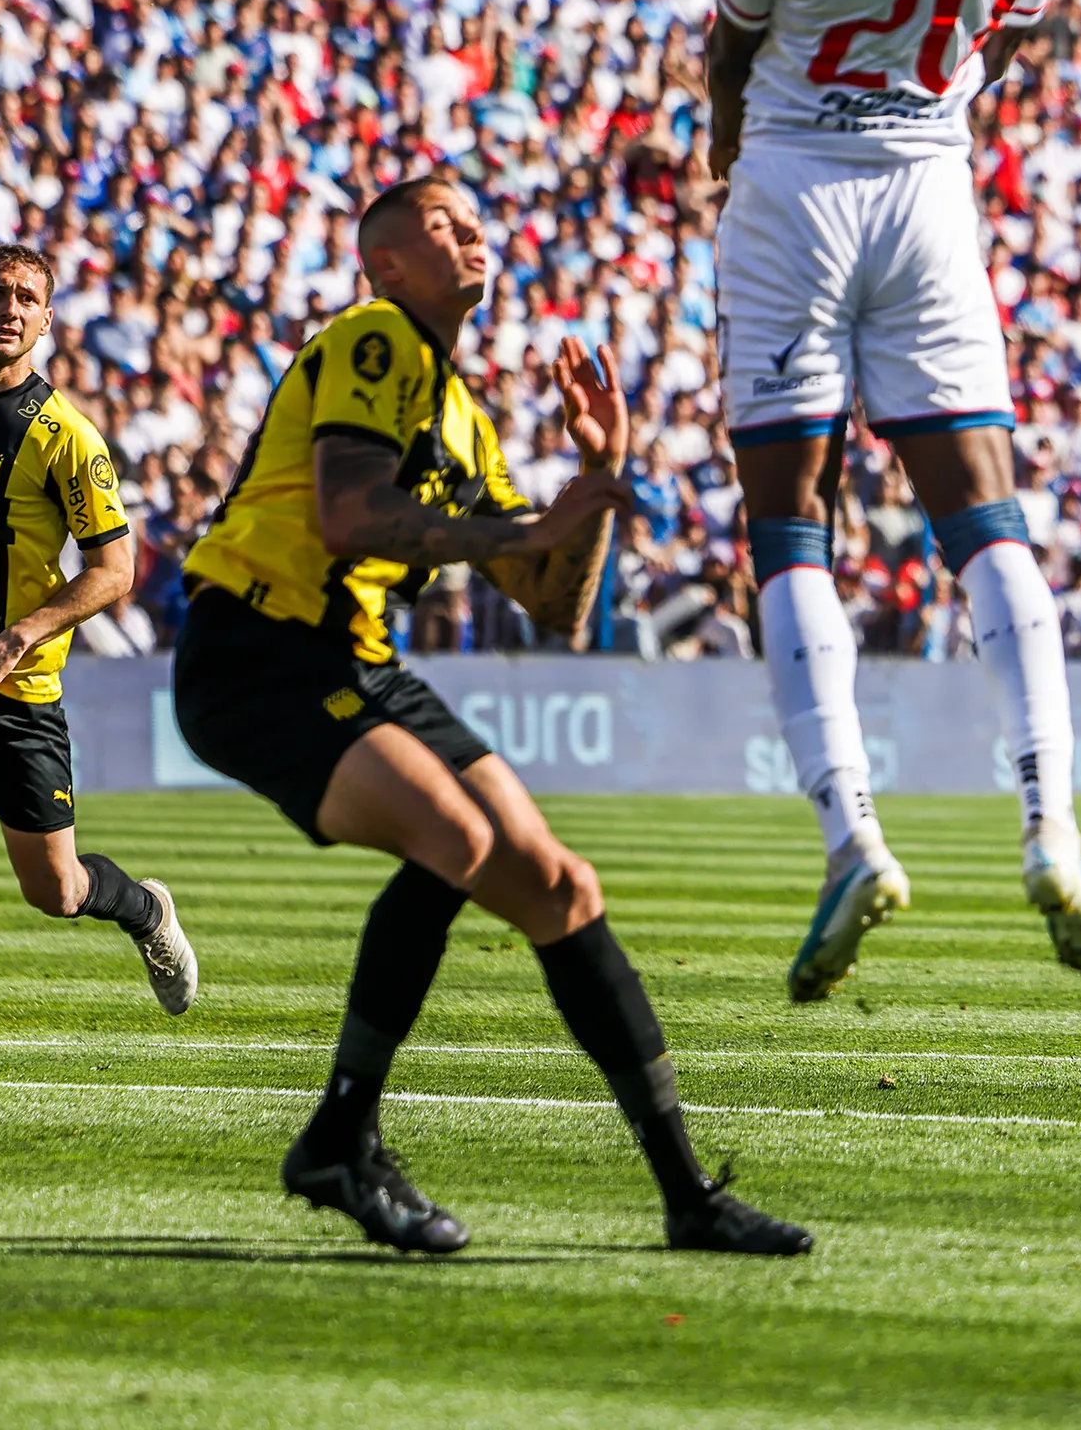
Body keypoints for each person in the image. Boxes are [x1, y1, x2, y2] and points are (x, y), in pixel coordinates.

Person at [173, 177, 809, 1258]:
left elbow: (556, 605)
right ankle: (340, 1136)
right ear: (386, 264)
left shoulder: (463, 420)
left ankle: (688, 1195)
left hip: (356, 661)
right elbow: (349, 514)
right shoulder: (378, 339)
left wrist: (598, 473)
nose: (473, 229)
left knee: (561, 887)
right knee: (457, 837)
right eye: (443, 221)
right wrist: (532, 527)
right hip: (257, 650)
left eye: (476, 218)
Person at [706, 0, 1081, 1001]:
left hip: (794, 199)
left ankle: (852, 838)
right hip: (931, 196)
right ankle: (1054, 830)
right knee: (985, 516)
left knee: (789, 525)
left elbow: (730, 58)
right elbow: (1008, 40)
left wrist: (724, 160)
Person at [0, 244, 196, 1011]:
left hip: (10, 688)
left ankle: (146, 910)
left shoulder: (65, 437)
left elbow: (115, 571)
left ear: (47, 320)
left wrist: (17, 636)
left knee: (55, 890)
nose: (9, 308)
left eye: (26, 298)